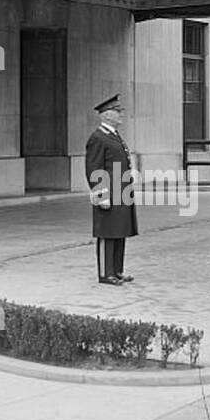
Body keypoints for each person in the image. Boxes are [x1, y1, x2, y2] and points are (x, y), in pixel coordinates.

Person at [85, 94, 138, 285]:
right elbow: (94, 169)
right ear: (107, 115)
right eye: (117, 111)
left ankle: (116, 270)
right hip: (108, 193)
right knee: (107, 233)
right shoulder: (98, 138)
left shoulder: (113, 135)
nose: (121, 114)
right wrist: (101, 196)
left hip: (121, 192)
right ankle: (105, 273)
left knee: (119, 231)